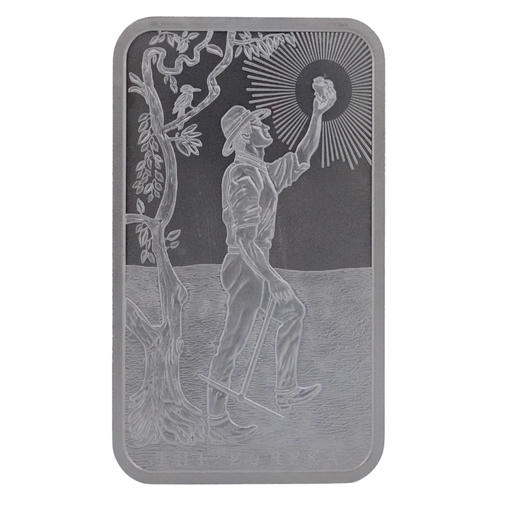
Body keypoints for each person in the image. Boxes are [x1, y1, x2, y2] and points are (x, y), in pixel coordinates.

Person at [207, 78, 337, 443]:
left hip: (256, 264)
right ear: (246, 135)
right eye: (259, 124)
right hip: (245, 267)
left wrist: (317, 114)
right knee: (234, 339)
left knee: (292, 311)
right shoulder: (242, 175)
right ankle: (216, 420)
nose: (267, 127)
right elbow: (244, 238)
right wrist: (273, 280)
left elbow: (302, 157)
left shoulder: (261, 171)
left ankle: (285, 389)